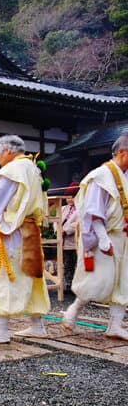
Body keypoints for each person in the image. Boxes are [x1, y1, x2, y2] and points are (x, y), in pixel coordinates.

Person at [0, 135, 50, 343]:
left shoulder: (12, 171)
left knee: (4, 276)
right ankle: (37, 325)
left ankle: (1, 330)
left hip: (13, 230)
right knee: (32, 275)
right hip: (31, 230)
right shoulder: (33, 169)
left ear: (7, 150)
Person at [62, 133, 128, 340]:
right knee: (97, 279)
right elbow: (93, 211)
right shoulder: (100, 175)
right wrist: (103, 238)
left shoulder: (126, 176)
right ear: (122, 152)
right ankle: (72, 312)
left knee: (123, 281)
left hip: (123, 236)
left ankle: (115, 325)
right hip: (104, 236)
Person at [60, 181, 80, 290]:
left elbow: (78, 223)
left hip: (74, 241)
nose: (70, 199)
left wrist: (66, 230)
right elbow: (56, 221)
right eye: (68, 197)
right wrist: (58, 230)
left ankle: (77, 286)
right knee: (66, 264)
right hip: (62, 242)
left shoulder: (81, 208)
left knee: (76, 263)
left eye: (72, 197)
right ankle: (68, 284)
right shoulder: (63, 208)